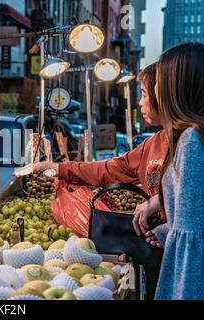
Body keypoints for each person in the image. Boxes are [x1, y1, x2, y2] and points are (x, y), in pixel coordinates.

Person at [19, 63, 166, 234]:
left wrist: (160, 202)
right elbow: (108, 169)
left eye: (144, 94)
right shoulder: (152, 144)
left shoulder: (189, 142)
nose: (140, 103)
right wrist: (55, 168)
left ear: (162, 96)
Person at [147, 42, 204, 300]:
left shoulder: (191, 141)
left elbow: (191, 242)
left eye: (158, 81)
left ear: (175, 87)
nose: (155, 89)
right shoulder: (190, 137)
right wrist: (165, 231)